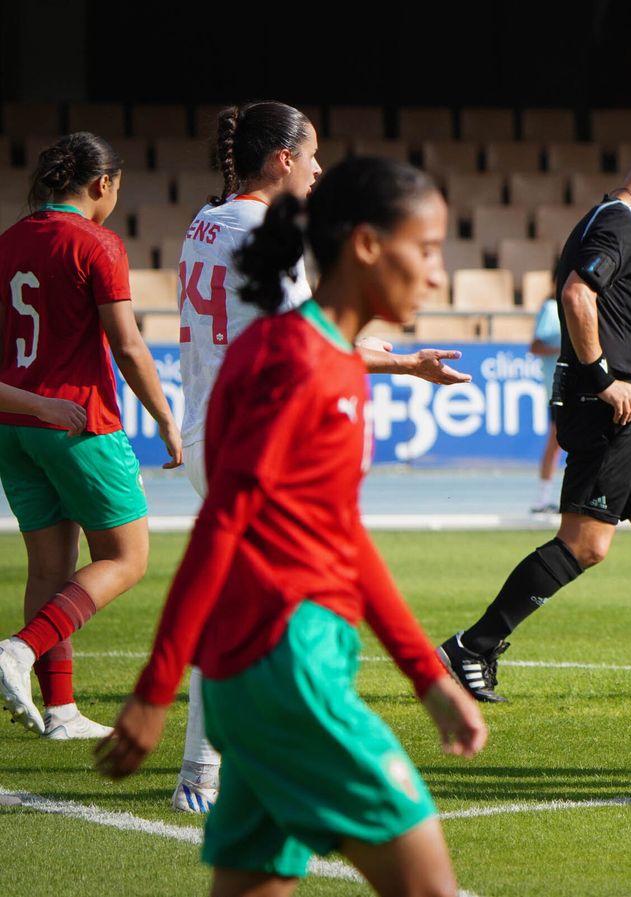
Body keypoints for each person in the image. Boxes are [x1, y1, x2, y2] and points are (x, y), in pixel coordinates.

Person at [96, 156, 487, 897]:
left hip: (263, 676)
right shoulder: (296, 361)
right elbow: (222, 524)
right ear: (368, 245)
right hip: (289, 668)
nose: (437, 275)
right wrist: (154, 689)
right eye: (427, 249)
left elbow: (343, 537)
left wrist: (427, 676)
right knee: (432, 887)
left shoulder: (325, 358)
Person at [171, 101, 472, 815]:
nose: (317, 169)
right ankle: (254, 771)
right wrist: (405, 364)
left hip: (202, 433)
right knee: (299, 614)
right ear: (281, 158)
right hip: (253, 440)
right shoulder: (263, 235)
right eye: (310, 156)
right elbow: (317, 341)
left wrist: (405, 363)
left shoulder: (203, 222)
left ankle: (210, 772)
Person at [438, 141, 631, 700]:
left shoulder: (607, 221)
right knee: (585, 544)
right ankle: (471, 647)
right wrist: (604, 376)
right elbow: (577, 295)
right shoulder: (618, 226)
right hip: (610, 404)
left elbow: (616, 317)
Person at [0, 132, 182, 740]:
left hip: (15, 424)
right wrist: (163, 415)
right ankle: (18, 651)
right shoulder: (97, 243)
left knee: (49, 569)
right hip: (78, 423)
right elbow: (128, 346)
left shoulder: (9, 242)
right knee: (126, 558)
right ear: (103, 184)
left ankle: (61, 711)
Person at [531, 292, 563, 513]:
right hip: (558, 387)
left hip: (585, 384)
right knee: (556, 441)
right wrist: (566, 350)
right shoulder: (551, 309)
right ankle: (543, 499)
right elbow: (535, 346)